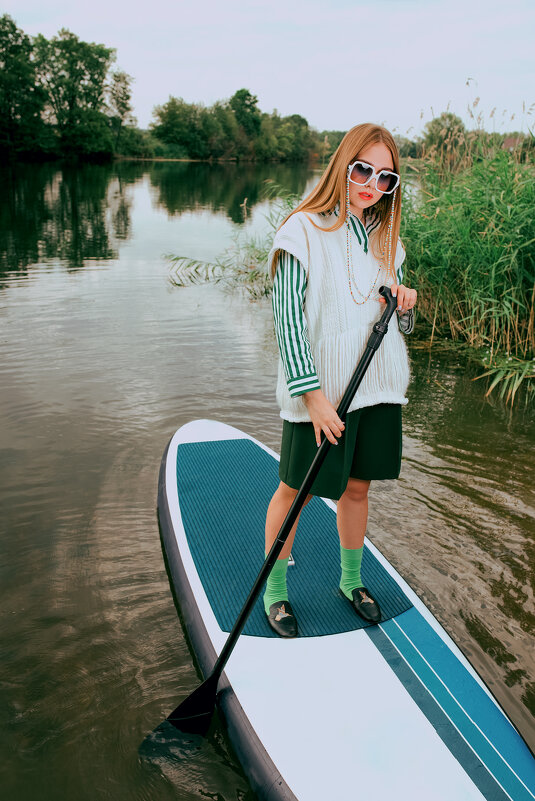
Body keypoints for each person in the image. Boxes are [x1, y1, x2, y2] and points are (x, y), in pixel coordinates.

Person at [263, 123, 417, 638]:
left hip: (374, 384)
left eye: (386, 178)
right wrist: (313, 398)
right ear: (343, 166)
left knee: (357, 487)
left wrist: (403, 302)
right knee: (296, 491)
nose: (373, 184)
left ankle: (351, 581)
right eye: (364, 170)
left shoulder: (385, 239)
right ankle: (275, 592)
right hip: (322, 390)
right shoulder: (301, 229)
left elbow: (394, 320)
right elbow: (287, 321)